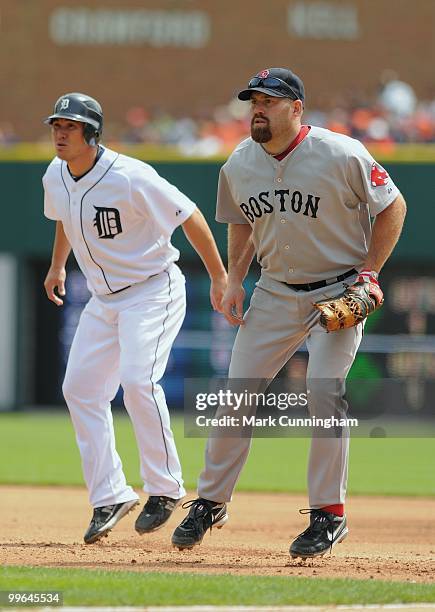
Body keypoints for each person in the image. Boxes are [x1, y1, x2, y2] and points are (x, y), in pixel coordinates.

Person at [172, 68, 406, 558]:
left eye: (270, 100)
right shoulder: (239, 162)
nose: (258, 108)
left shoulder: (341, 152)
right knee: (236, 395)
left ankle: (328, 515)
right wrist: (235, 278)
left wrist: (369, 275)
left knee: (324, 392)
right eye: (253, 100)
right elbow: (240, 219)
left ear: (296, 109)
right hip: (275, 291)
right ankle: (211, 501)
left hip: (339, 288)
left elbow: (393, 205)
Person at [42, 92, 227, 544]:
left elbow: (189, 215)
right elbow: (63, 218)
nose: (61, 133)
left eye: (70, 126)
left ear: (92, 132)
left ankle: (165, 489)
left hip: (152, 289)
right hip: (104, 300)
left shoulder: (129, 176)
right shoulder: (55, 175)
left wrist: (219, 277)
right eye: (57, 125)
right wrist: (56, 265)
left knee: (138, 380)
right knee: (80, 389)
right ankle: (110, 495)